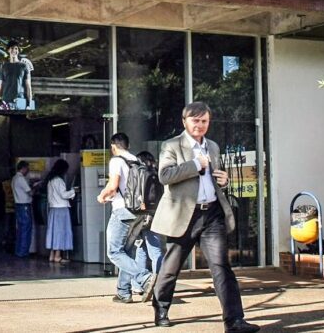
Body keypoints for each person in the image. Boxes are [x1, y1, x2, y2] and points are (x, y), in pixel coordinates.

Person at [150, 102, 259, 332]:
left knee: (221, 266)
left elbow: (212, 179)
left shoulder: (213, 146)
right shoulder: (172, 145)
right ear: (184, 121)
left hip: (212, 214)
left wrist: (224, 181)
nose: (199, 125)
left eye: (204, 121)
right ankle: (161, 307)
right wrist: (194, 165)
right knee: (171, 267)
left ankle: (234, 321)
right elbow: (165, 176)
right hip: (184, 215)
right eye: (195, 120)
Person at [96, 133, 156, 304]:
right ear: (128, 145)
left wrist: (102, 196)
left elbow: (113, 186)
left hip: (122, 211)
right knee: (126, 251)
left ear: (113, 146)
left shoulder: (116, 160)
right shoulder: (137, 161)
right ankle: (123, 292)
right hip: (139, 212)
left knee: (114, 252)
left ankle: (145, 278)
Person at [128, 151, 164, 289]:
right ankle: (154, 283)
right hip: (152, 215)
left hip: (140, 215)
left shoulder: (139, 173)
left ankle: (141, 284)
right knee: (150, 249)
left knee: (144, 249)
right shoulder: (155, 174)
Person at [44, 159, 75, 263]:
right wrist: (74, 191)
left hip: (53, 209)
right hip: (61, 209)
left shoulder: (50, 180)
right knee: (60, 232)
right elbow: (63, 195)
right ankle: (58, 256)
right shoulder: (59, 180)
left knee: (53, 232)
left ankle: (52, 255)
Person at [0, 40, 33, 110]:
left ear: (18, 51)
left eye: (16, 48)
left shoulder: (24, 66)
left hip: (20, 99)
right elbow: (0, 84)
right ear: (8, 50)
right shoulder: (4, 66)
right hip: (6, 100)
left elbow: (28, 86)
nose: (14, 50)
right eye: (12, 48)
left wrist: (29, 103)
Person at [11, 161, 34, 258]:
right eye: (27, 168)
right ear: (23, 168)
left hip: (18, 206)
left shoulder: (14, 178)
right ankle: (23, 252)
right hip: (24, 206)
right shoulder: (21, 179)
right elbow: (30, 192)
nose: (28, 171)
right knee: (26, 229)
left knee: (20, 229)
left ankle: (19, 251)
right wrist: (36, 188)